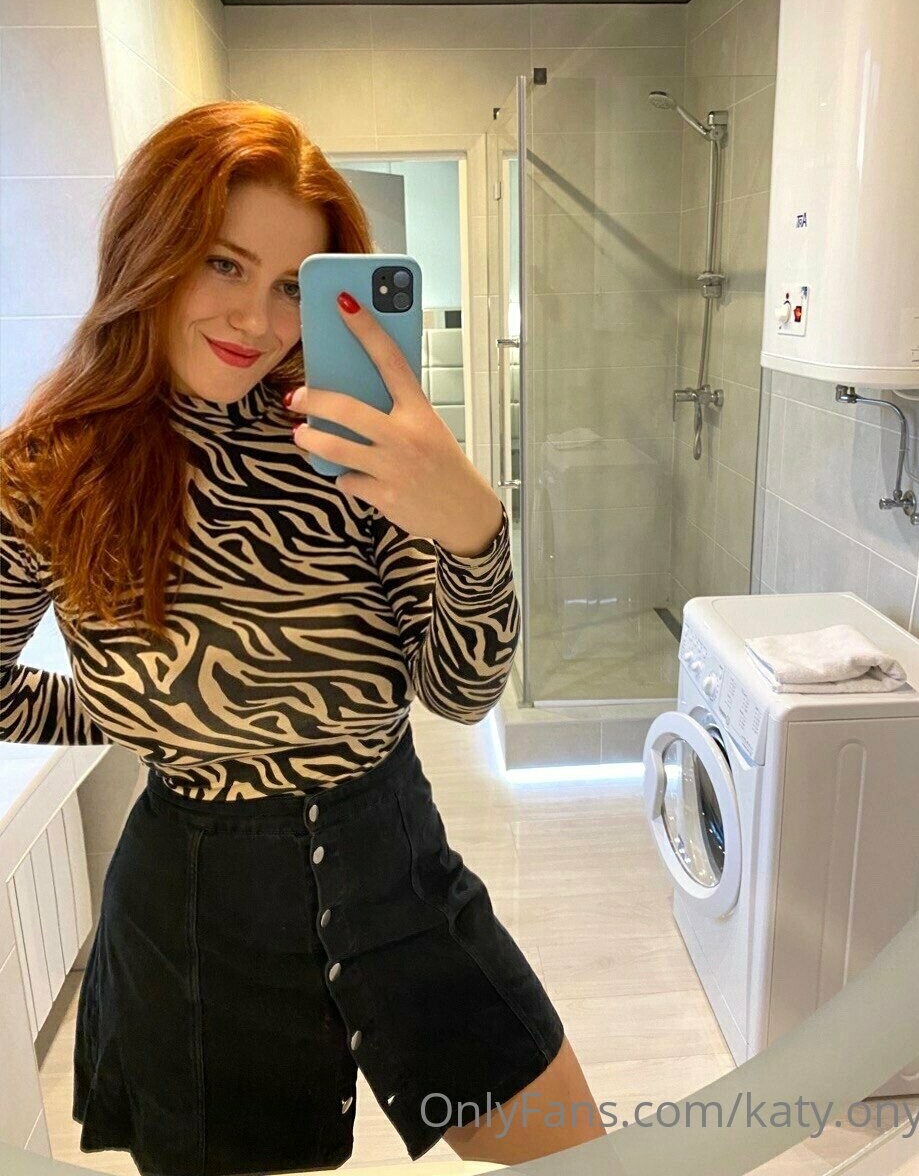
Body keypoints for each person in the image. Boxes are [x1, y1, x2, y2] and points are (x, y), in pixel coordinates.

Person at [0, 100, 605, 1176]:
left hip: (397, 862)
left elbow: (458, 691)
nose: (258, 318)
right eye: (223, 263)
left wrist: (473, 530)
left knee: (577, 1152)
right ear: (150, 249)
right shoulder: (49, 469)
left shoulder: (342, 436)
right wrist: (157, 712)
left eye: (293, 284)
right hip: (199, 914)